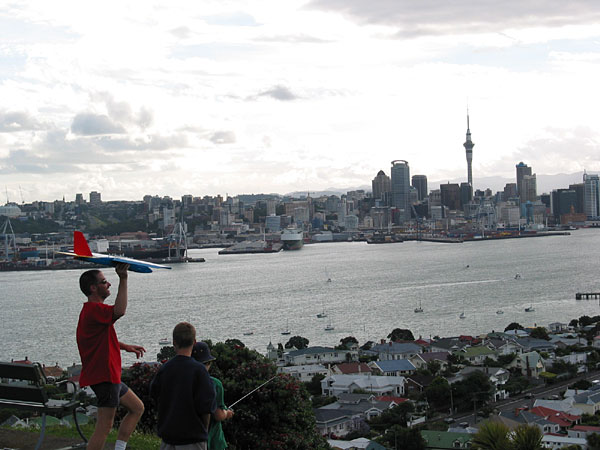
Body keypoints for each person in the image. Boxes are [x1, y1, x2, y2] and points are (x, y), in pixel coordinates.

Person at [76, 264, 146, 450]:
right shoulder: (94, 310)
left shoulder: (92, 312)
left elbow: (99, 339)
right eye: (104, 282)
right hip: (105, 376)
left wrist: (125, 347)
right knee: (104, 427)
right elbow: (119, 311)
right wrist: (124, 278)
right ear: (93, 288)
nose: (108, 285)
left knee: (137, 407)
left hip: (109, 376)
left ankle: (120, 448)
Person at [151, 322, 216, 450]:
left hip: (168, 437)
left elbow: (154, 394)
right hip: (193, 438)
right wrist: (204, 432)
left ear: (174, 342)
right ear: (194, 342)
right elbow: (206, 407)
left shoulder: (164, 369)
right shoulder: (199, 371)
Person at [192, 342, 234, 450]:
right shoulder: (215, 384)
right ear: (209, 363)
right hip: (213, 442)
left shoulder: (185, 383)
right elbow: (218, 415)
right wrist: (227, 413)